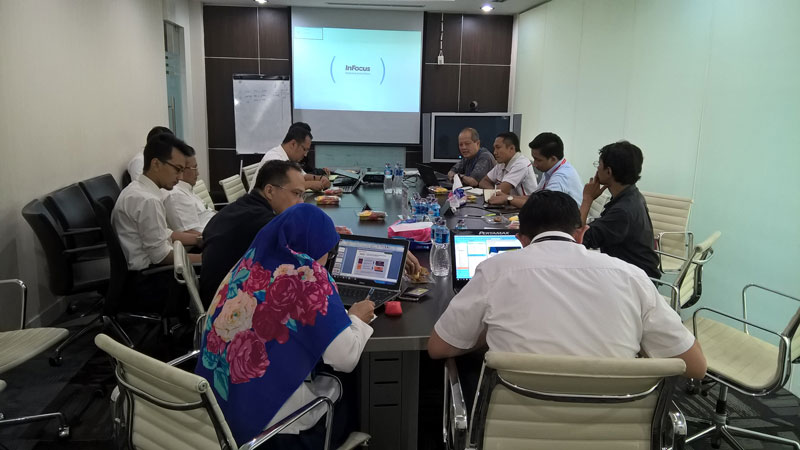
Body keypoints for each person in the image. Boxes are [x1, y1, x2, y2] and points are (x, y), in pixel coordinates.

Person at [428, 191, 706, 380]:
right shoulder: (632, 276)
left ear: (520, 239)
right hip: (614, 433)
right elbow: (695, 366)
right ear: (582, 233)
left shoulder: (495, 270)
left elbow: (438, 348)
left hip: (516, 432)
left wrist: (487, 333)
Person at [195, 203, 375, 447]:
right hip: (274, 434)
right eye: (329, 252)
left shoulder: (247, 266)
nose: (327, 259)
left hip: (218, 418)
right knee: (345, 385)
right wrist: (357, 319)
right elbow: (345, 358)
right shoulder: (309, 277)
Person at [112, 133, 201, 312]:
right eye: (177, 169)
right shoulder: (147, 200)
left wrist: (198, 239)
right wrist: (205, 258)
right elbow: (161, 256)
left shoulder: (138, 189)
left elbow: (163, 233)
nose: (180, 176)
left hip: (143, 272)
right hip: (149, 280)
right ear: (156, 164)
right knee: (216, 268)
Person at [200, 160, 307, 306]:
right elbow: (303, 257)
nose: (301, 202)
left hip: (215, 298)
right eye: (296, 194)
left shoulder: (237, 208)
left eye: (302, 195)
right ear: (270, 191)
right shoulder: (265, 223)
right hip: (226, 308)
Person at [580, 141, 661, 279]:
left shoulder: (623, 210)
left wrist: (587, 199)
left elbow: (579, 238)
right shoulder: (632, 195)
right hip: (632, 273)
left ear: (609, 171)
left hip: (635, 282)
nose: (597, 169)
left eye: (599, 164)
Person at [489, 132, 583, 208]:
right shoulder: (550, 171)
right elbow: (535, 198)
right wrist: (508, 197)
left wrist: (509, 200)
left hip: (568, 223)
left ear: (553, 159)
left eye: (538, 160)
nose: (534, 164)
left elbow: (542, 205)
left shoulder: (561, 176)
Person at [254, 124, 330, 192]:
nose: (305, 154)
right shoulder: (274, 159)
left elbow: (303, 176)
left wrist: (320, 178)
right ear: (293, 144)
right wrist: (309, 184)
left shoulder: (290, 159)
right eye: (304, 149)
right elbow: (280, 189)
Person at [164, 152, 216, 233]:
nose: (197, 173)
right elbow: (189, 232)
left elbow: (208, 211)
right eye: (194, 168)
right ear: (180, 169)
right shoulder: (176, 194)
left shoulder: (186, 189)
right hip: (211, 234)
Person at [479, 132, 538, 201]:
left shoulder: (521, 164)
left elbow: (502, 190)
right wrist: (493, 191)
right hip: (508, 204)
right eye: (494, 148)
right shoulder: (502, 162)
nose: (494, 152)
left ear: (511, 148)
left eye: (498, 147)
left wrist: (493, 192)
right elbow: (483, 182)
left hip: (525, 206)